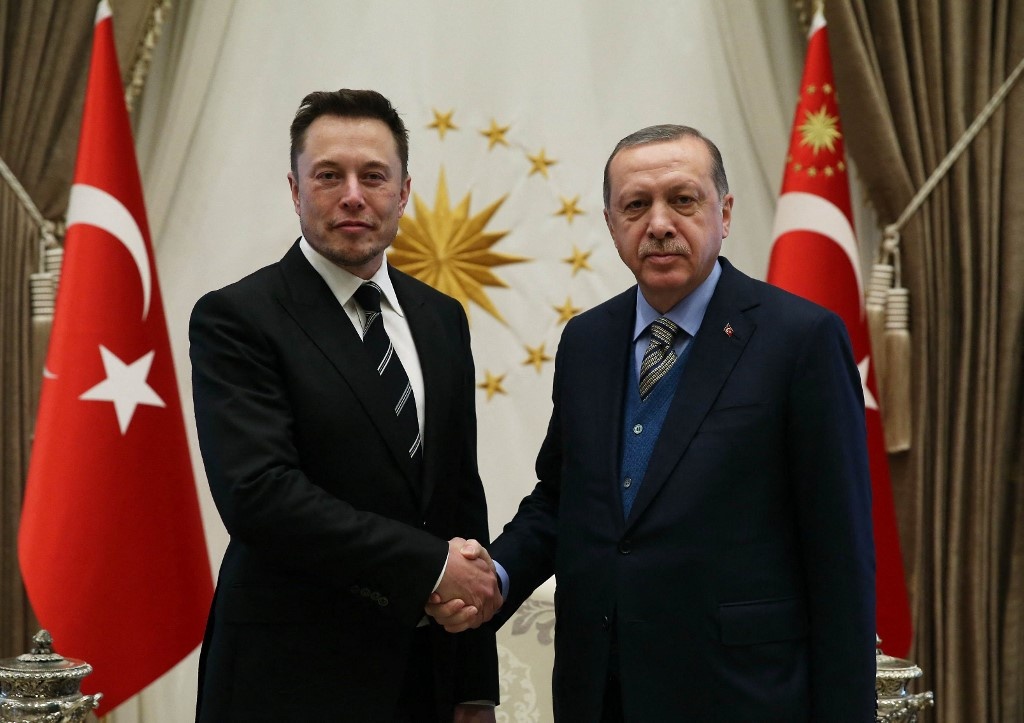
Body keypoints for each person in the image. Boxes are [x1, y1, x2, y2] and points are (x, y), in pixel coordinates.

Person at [429, 125, 877, 721]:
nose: (659, 223)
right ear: (613, 224)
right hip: (599, 692)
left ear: (725, 211)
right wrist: (499, 577)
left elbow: (840, 556)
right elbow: (562, 500)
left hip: (743, 695)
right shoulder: (587, 341)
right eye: (636, 206)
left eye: (683, 200)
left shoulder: (801, 339)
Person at [190, 89, 500, 722]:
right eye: (329, 175)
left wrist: (473, 685)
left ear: (404, 192)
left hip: (427, 679)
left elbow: (459, 497)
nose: (352, 195)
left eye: (374, 176)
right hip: (290, 679)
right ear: (296, 189)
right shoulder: (237, 318)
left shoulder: (442, 319)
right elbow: (261, 496)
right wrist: (432, 568)